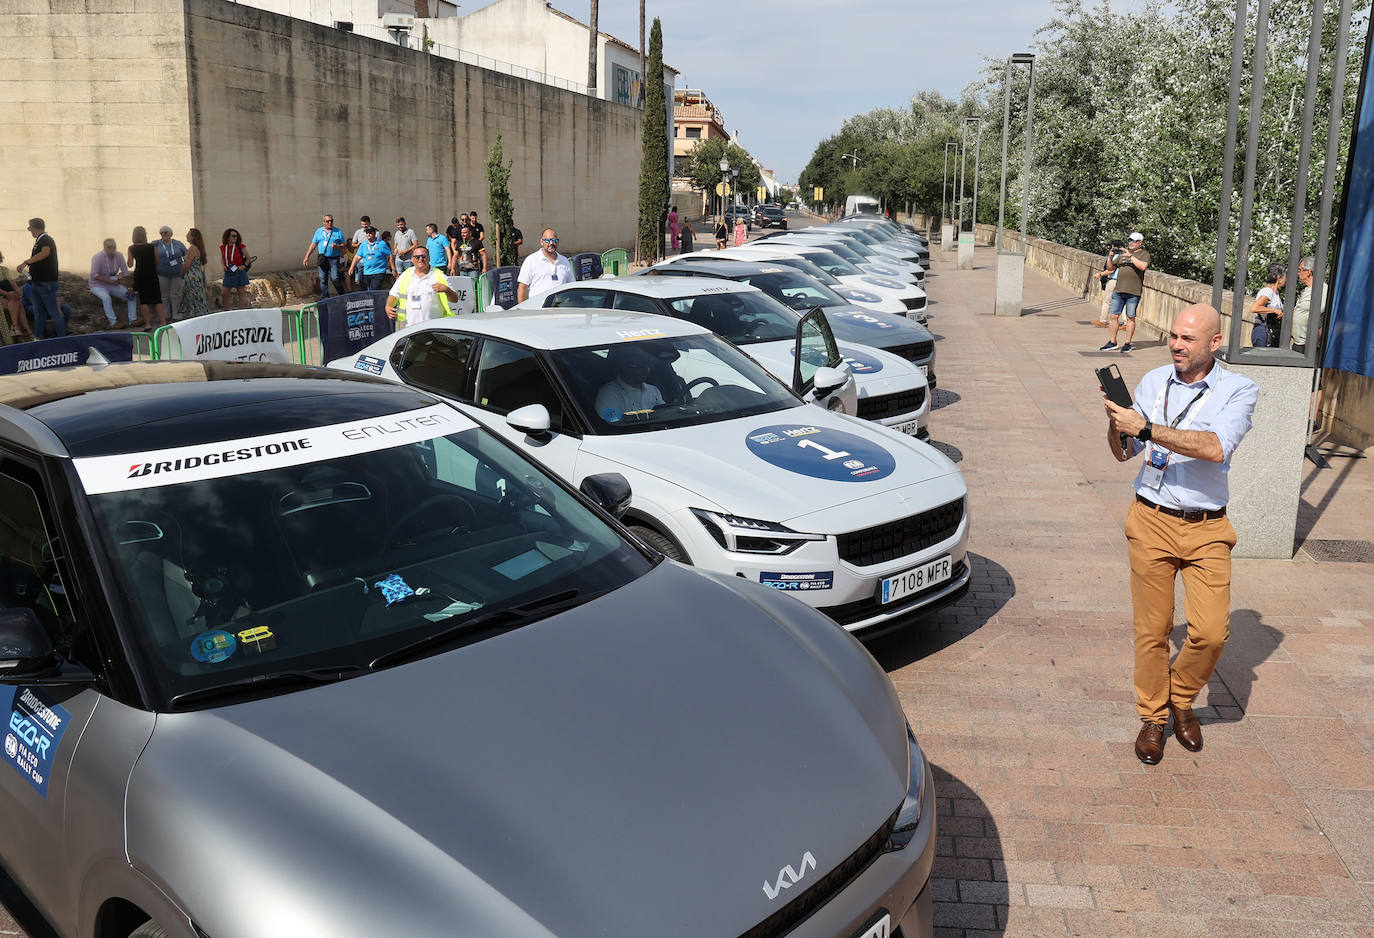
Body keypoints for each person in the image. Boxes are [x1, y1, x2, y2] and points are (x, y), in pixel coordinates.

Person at [1103, 303, 1258, 765]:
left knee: (1211, 633)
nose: (1175, 344)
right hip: (1150, 518)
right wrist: (1117, 424)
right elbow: (1124, 452)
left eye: (1187, 338)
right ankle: (1154, 718)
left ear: (1214, 343)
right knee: (1151, 631)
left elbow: (1215, 447)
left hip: (1207, 527)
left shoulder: (1239, 390)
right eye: (1173, 335)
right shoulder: (1153, 382)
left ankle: (1181, 696)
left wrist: (1147, 427)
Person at [1099, 231, 1150, 353]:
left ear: (1140, 242)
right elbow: (1110, 269)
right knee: (1113, 316)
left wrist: (1130, 256)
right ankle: (1113, 342)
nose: (1130, 243)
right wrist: (1111, 257)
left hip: (1133, 291)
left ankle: (1128, 343)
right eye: (1129, 240)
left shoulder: (1144, 254)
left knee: (1130, 317)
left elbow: (1143, 267)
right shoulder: (1121, 254)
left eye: (1133, 241)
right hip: (1119, 289)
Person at [15, 218, 65, 339]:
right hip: (36, 282)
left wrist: (26, 262)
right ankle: (38, 338)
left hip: (46, 282)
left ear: (34, 227)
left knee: (53, 312)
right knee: (39, 313)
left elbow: (45, 253)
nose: (29, 230)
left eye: (29, 227)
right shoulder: (39, 241)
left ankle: (62, 339)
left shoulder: (46, 239)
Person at [386, 245, 460, 326]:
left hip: (433, 328)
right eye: (417, 257)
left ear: (429, 258)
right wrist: (388, 306)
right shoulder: (405, 275)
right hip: (408, 328)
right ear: (412, 259)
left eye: (423, 256)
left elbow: (455, 299)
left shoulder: (439, 276)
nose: (420, 259)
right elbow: (393, 294)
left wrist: (446, 290)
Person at [595, 346, 664, 421]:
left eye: (648, 364)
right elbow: (612, 426)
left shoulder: (653, 390)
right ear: (623, 365)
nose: (645, 369)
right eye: (638, 364)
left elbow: (665, 414)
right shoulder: (609, 394)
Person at [516, 228, 574, 304]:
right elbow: (522, 288)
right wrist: (522, 310)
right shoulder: (531, 260)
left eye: (554, 240)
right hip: (538, 308)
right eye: (547, 240)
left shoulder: (564, 261)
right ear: (541, 242)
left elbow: (571, 286)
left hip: (560, 308)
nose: (551, 243)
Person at [89, 238, 137, 328]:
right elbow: (94, 275)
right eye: (109, 247)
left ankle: (133, 320)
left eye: (114, 247)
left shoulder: (119, 256)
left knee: (131, 296)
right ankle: (113, 323)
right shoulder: (97, 257)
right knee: (106, 298)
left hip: (113, 284)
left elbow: (125, 273)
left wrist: (129, 288)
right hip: (97, 285)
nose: (112, 249)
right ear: (104, 248)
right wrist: (109, 281)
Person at [128, 226, 164, 327]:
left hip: (140, 275)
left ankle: (148, 324)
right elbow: (157, 261)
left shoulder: (131, 248)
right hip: (152, 274)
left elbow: (130, 264)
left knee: (144, 300)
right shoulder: (152, 247)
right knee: (157, 299)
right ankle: (163, 322)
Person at [303, 213, 345, 298]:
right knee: (323, 279)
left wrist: (337, 246)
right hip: (322, 258)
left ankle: (342, 295)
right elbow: (313, 244)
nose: (330, 223)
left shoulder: (338, 231)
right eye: (328, 221)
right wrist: (306, 257)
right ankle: (325, 298)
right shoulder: (319, 231)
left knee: (335, 278)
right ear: (323, 222)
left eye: (331, 221)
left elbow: (344, 244)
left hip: (334, 259)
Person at [153, 225, 188, 320]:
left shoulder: (178, 244)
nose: (163, 235)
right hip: (162, 273)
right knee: (164, 296)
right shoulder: (156, 244)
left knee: (176, 294)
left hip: (177, 273)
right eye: (161, 233)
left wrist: (185, 267)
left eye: (165, 232)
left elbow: (186, 255)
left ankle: (177, 315)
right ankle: (166, 315)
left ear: (170, 234)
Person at [1250, 262, 1285, 348]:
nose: (1286, 279)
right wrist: (1274, 310)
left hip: (1270, 331)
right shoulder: (1268, 292)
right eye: (1285, 276)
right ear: (1279, 278)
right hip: (1263, 331)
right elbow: (1255, 308)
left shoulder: (1275, 293)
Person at [0, 250, 31, 341]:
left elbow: (12, 282)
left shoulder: (4, 269)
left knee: (17, 301)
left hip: (8, 295)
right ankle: (27, 332)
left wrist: (18, 291)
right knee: (16, 302)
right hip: (3, 295)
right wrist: (8, 294)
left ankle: (15, 328)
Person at [180, 228, 211, 318]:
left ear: (193, 237)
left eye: (188, 235)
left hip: (192, 275)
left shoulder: (192, 248)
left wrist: (181, 274)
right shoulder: (198, 248)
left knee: (194, 297)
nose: (186, 236)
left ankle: (197, 315)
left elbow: (187, 264)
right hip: (197, 274)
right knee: (198, 295)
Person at [348, 227, 391, 291]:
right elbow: (357, 256)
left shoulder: (381, 243)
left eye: (370, 233)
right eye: (367, 233)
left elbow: (389, 255)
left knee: (373, 290)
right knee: (368, 291)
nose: (368, 234)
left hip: (378, 272)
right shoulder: (363, 244)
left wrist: (392, 268)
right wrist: (351, 267)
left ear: (374, 234)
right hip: (367, 272)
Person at [219, 228, 251, 310]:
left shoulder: (240, 246)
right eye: (233, 236)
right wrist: (223, 265)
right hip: (229, 271)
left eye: (236, 236)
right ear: (228, 237)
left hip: (239, 270)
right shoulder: (223, 247)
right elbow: (223, 258)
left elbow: (248, 258)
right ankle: (225, 309)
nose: (235, 238)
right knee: (224, 292)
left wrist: (243, 266)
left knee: (241, 292)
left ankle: (241, 310)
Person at [1094, 239, 1122, 328]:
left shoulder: (1114, 256)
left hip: (1113, 280)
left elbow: (1111, 269)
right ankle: (1125, 322)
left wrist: (1100, 274)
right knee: (1123, 301)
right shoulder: (1125, 256)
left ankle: (1103, 321)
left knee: (1107, 301)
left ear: (1113, 247)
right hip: (1123, 281)